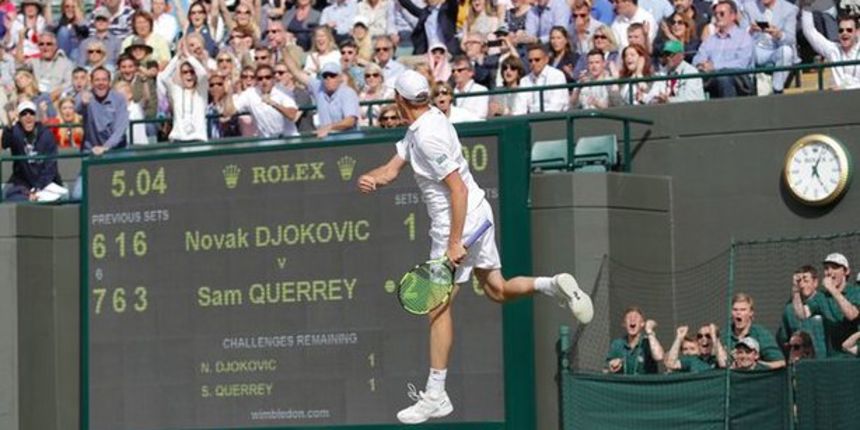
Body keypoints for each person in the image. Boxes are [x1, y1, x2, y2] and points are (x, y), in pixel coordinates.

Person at [356, 69, 592, 424]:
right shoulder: (428, 120)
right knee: (496, 289)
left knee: (436, 309)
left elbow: (458, 190)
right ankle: (553, 284)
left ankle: (436, 395)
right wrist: (374, 178)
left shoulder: (428, 137)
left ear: (399, 100)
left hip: (457, 224)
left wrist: (453, 242)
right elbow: (391, 171)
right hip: (480, 214)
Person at [795, 253, 860, 357]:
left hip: (854, 356)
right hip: (832, 358)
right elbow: (802, 314)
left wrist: (832, 289)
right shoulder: (822, 297)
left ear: (846, 271)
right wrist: (795, 292)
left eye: (834, 268)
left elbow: (852, 315)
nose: (829, 272)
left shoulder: (856, 291)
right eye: (826, 268)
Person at [0, 100, 62, 202]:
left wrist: (37, 189)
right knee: (9, 196)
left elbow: (50, 167)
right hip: (23, 184)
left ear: (36, 116)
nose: (28, 116)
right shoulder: (16, 131)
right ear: (19, 118)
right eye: (24, 114)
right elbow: (5, 143)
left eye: (31, 113)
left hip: (46, 184)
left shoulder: (46, 134)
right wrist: (9, 126)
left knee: (59, 198)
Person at [692, 0, 754, 98]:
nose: (717, 16)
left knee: (724, 77)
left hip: (739, 79)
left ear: (733, 16)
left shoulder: (744, 37)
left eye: (722, 14)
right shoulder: (710, 39)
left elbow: (741, 64)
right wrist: (701, 65)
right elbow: (698, 58)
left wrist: (714, 66)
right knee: (692, 78)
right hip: (712, 78)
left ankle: (728, 111)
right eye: (715, 14)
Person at [222, 64, 300, 138]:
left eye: (267, 77)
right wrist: (229, 91)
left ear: (273, 78)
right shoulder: (250, 94)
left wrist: (274, 104)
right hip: (267, 142)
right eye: (260, 78)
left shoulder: (282, 91)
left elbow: (292, 115)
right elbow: (228, 112)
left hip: (289, 138)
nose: (264, 81)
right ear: (256, 80)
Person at [741, 0, 798, 94]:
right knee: (746, 49)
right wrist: (750, 30)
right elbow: (740, 35)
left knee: (787, 51)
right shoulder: (748, 7)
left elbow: (791, 39)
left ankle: (777, 89)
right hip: (756, 47)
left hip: (776, 48)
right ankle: (749, 87)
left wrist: (779, 34)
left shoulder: (789, 9)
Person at [158, 39, 209, 142]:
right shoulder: (176, 90)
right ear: (181, 75)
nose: (189, 75)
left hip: (198, 139)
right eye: (185, 72)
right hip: (178, 140)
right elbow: (163, 77)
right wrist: (177, 56)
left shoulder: (201, 91)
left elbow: (203, 73)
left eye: (192, 72)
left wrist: (188, 55)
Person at [800, 8, 860, 90]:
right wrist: (806, 6)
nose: (844, 33)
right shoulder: (833, 49)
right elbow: (809, 31)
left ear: (857, 32)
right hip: (837, 99)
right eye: (841, 30)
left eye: (849, 30)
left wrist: (845, 87)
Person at [724, 292, 785, 368]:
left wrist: (755, 366)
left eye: (743, 310)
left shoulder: (760, 334)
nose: (738, 313)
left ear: (751, 313)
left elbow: (781, 363)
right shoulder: (725, 335)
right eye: (735, 310)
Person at [777, 264, 819, 354]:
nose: (802, 285)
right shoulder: (789, 309)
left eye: (806, 281)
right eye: (799, 281)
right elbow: (783, 338)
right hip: (799, 360)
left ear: (815, 282)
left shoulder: (823, 302)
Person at [520, 44, 569, 112]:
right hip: (531, 119)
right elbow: (521, 107)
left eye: (537, 60)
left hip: (555, 119)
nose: (533, 63)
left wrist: (533, 110)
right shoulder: (524, 80)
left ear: (546, 59)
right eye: (530, 61)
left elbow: (556, 106)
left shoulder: (557, 75)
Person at [30, 31, 74, 101]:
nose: (45, 47)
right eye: (41, 44)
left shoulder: (66, 63)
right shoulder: (34, 62)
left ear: (55, 46)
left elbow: (70, 83)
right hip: (37, 97)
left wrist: (57, 92)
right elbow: (18, 65)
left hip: (56, 99)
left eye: (49, 44)